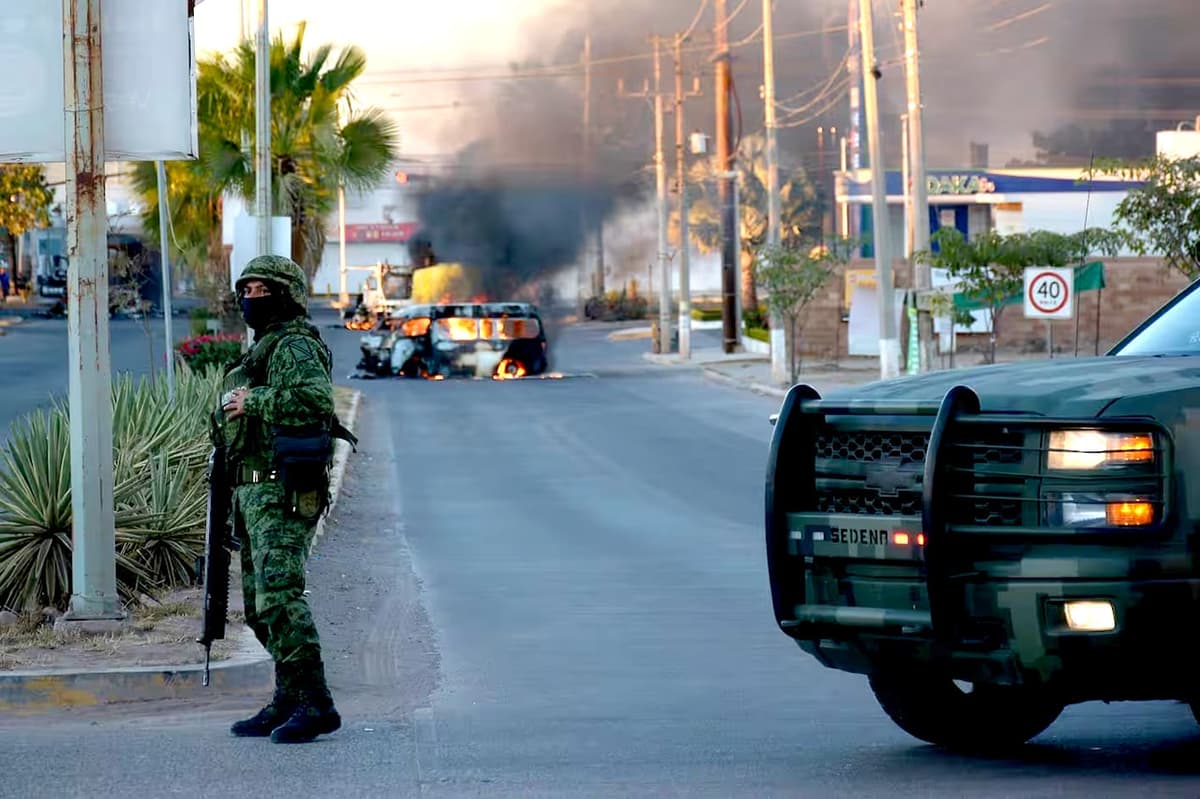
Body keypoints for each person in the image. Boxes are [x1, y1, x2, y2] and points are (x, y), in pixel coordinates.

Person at [212, 254, 341, 744]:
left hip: (282, 489)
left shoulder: (294, 345)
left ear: (286, 295)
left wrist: (253, 401)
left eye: (261, 290)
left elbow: (315, 401)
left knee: (281, 597)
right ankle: (288, 697)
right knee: (259, 608)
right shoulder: (263, 348)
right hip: (252, 490)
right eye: (245, 289)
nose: (250, 298)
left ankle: (317, 703)